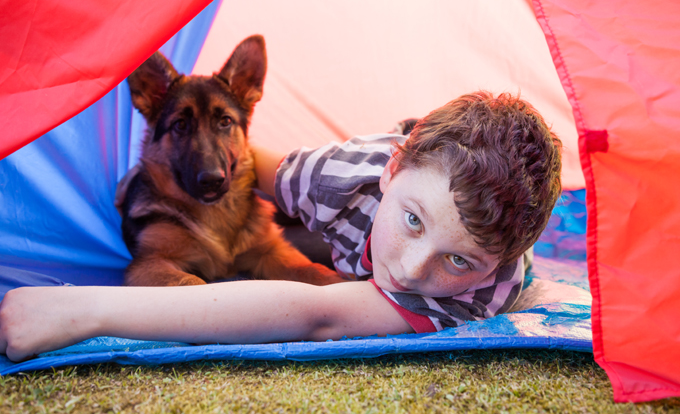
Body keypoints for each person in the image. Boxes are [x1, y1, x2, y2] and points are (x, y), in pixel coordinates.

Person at [0, 91, 562, 362]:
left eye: (457, 258)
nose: (413, 271)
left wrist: (84, 309)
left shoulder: (474, 294)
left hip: (399, 214)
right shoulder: (338, 175)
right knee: (286, 221)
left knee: (327, 270)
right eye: (413, 222)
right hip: (372, 177)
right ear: (392, 171)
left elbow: (313, 314)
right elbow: (247, 166)